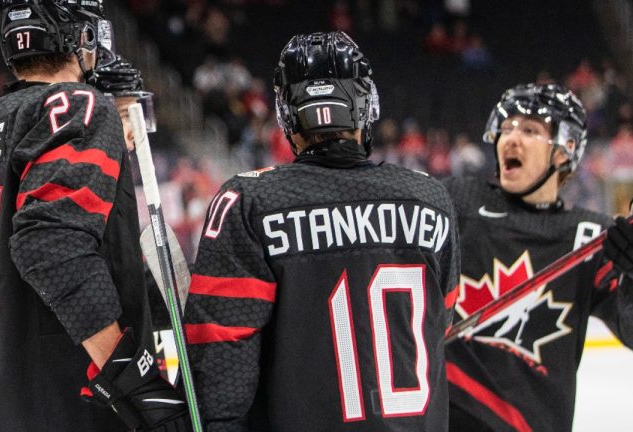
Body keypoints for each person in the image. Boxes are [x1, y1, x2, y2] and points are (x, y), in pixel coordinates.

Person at [185, 31, 460, 431]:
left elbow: (220, 365)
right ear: (366, 105)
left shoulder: (249, 202)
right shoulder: (429, 199)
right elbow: (442, 315)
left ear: (288, 115)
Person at [0, 1, 188, 431]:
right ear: (84, 36)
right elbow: (51, 245)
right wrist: (133, 377)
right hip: (52, 398)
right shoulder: (78, 103)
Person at [443, 83, 633, 432]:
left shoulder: (589, 236)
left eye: (529, 130)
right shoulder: (455, 201)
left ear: (565, 149)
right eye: (506, 127)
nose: (511, 138)